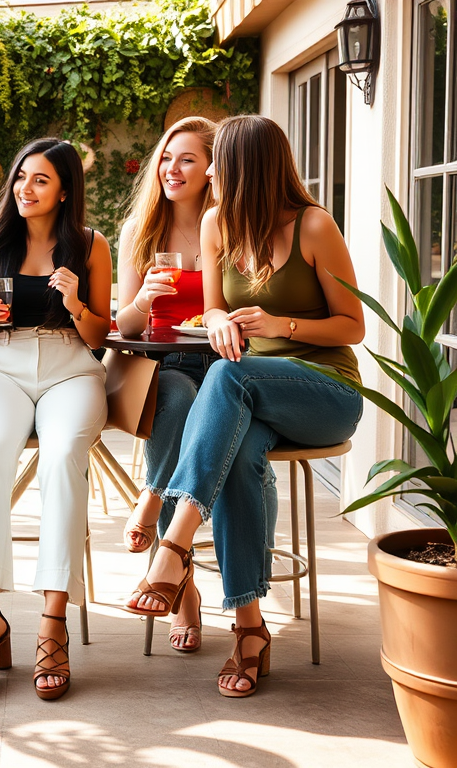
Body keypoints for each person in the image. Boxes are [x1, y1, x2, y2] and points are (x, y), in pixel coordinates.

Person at [122, 115, 364, 697]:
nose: (210, 175)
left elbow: (353, 326)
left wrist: (281, 323)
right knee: (235, 453)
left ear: (248, 170)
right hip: (250, 392)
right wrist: (222, 321)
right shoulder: (215, 225)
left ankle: (174, 543)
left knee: (228, 380)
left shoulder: (314, 226)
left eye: (219, 166)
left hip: (322, 389)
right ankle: (250, 629)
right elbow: (210, 315)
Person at [0, 138, 112, 700]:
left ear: (65, 189)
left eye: (40, 179)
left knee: (65, 452)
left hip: (71, 366)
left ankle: (52, 622)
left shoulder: (91, 247)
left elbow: (100, 338)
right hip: (3, 366)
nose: (25, 187)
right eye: (22, 176)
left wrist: (76, 306)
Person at [115, 116, 217, 653]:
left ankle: (152, 501)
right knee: (178, 401)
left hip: (223, 362)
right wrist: (146, 300)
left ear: (211, 170)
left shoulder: (228, 224)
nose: (172, 169)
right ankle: (186, 592)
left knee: (207, 409)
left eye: (187, 160)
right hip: (164, 364)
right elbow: (124, 328)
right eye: (167, 158)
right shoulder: (141, 231)